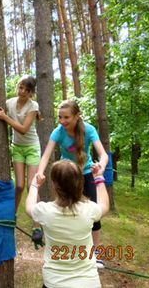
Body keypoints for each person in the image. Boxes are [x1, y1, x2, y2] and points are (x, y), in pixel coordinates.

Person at [35, 99, 109, 268]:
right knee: (64, 211)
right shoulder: (58, 131)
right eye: (60, 117)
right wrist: (40, 172)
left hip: (87, 174)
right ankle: (65, 249)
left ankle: (93, 254)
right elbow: (46, 155)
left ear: (77, 116)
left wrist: (101, 166)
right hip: (66, 176)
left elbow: (103, 155)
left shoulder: (89, 129)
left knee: (94, 217)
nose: (62, 121)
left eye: (66, 117)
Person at [26, 160, 109, 288]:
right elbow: (104, 205)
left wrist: (34, 185)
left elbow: (29, 206)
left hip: (54, 283)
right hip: (89, 283)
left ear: (54, 185)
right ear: (81, 183)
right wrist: (98, 177)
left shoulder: (45, 211)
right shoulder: (89, 210)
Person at [0, 75, 43, 241]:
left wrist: (5, 118)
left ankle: (37, 224)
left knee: (31, 186)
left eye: (27, 90)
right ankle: (11, 216)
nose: (22, 92)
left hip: (32, 147)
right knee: (19, 185)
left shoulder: (33, 106)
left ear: (31, 93)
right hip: (17, 148)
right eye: (21, 87)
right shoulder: (9, 102)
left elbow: (23, 129)